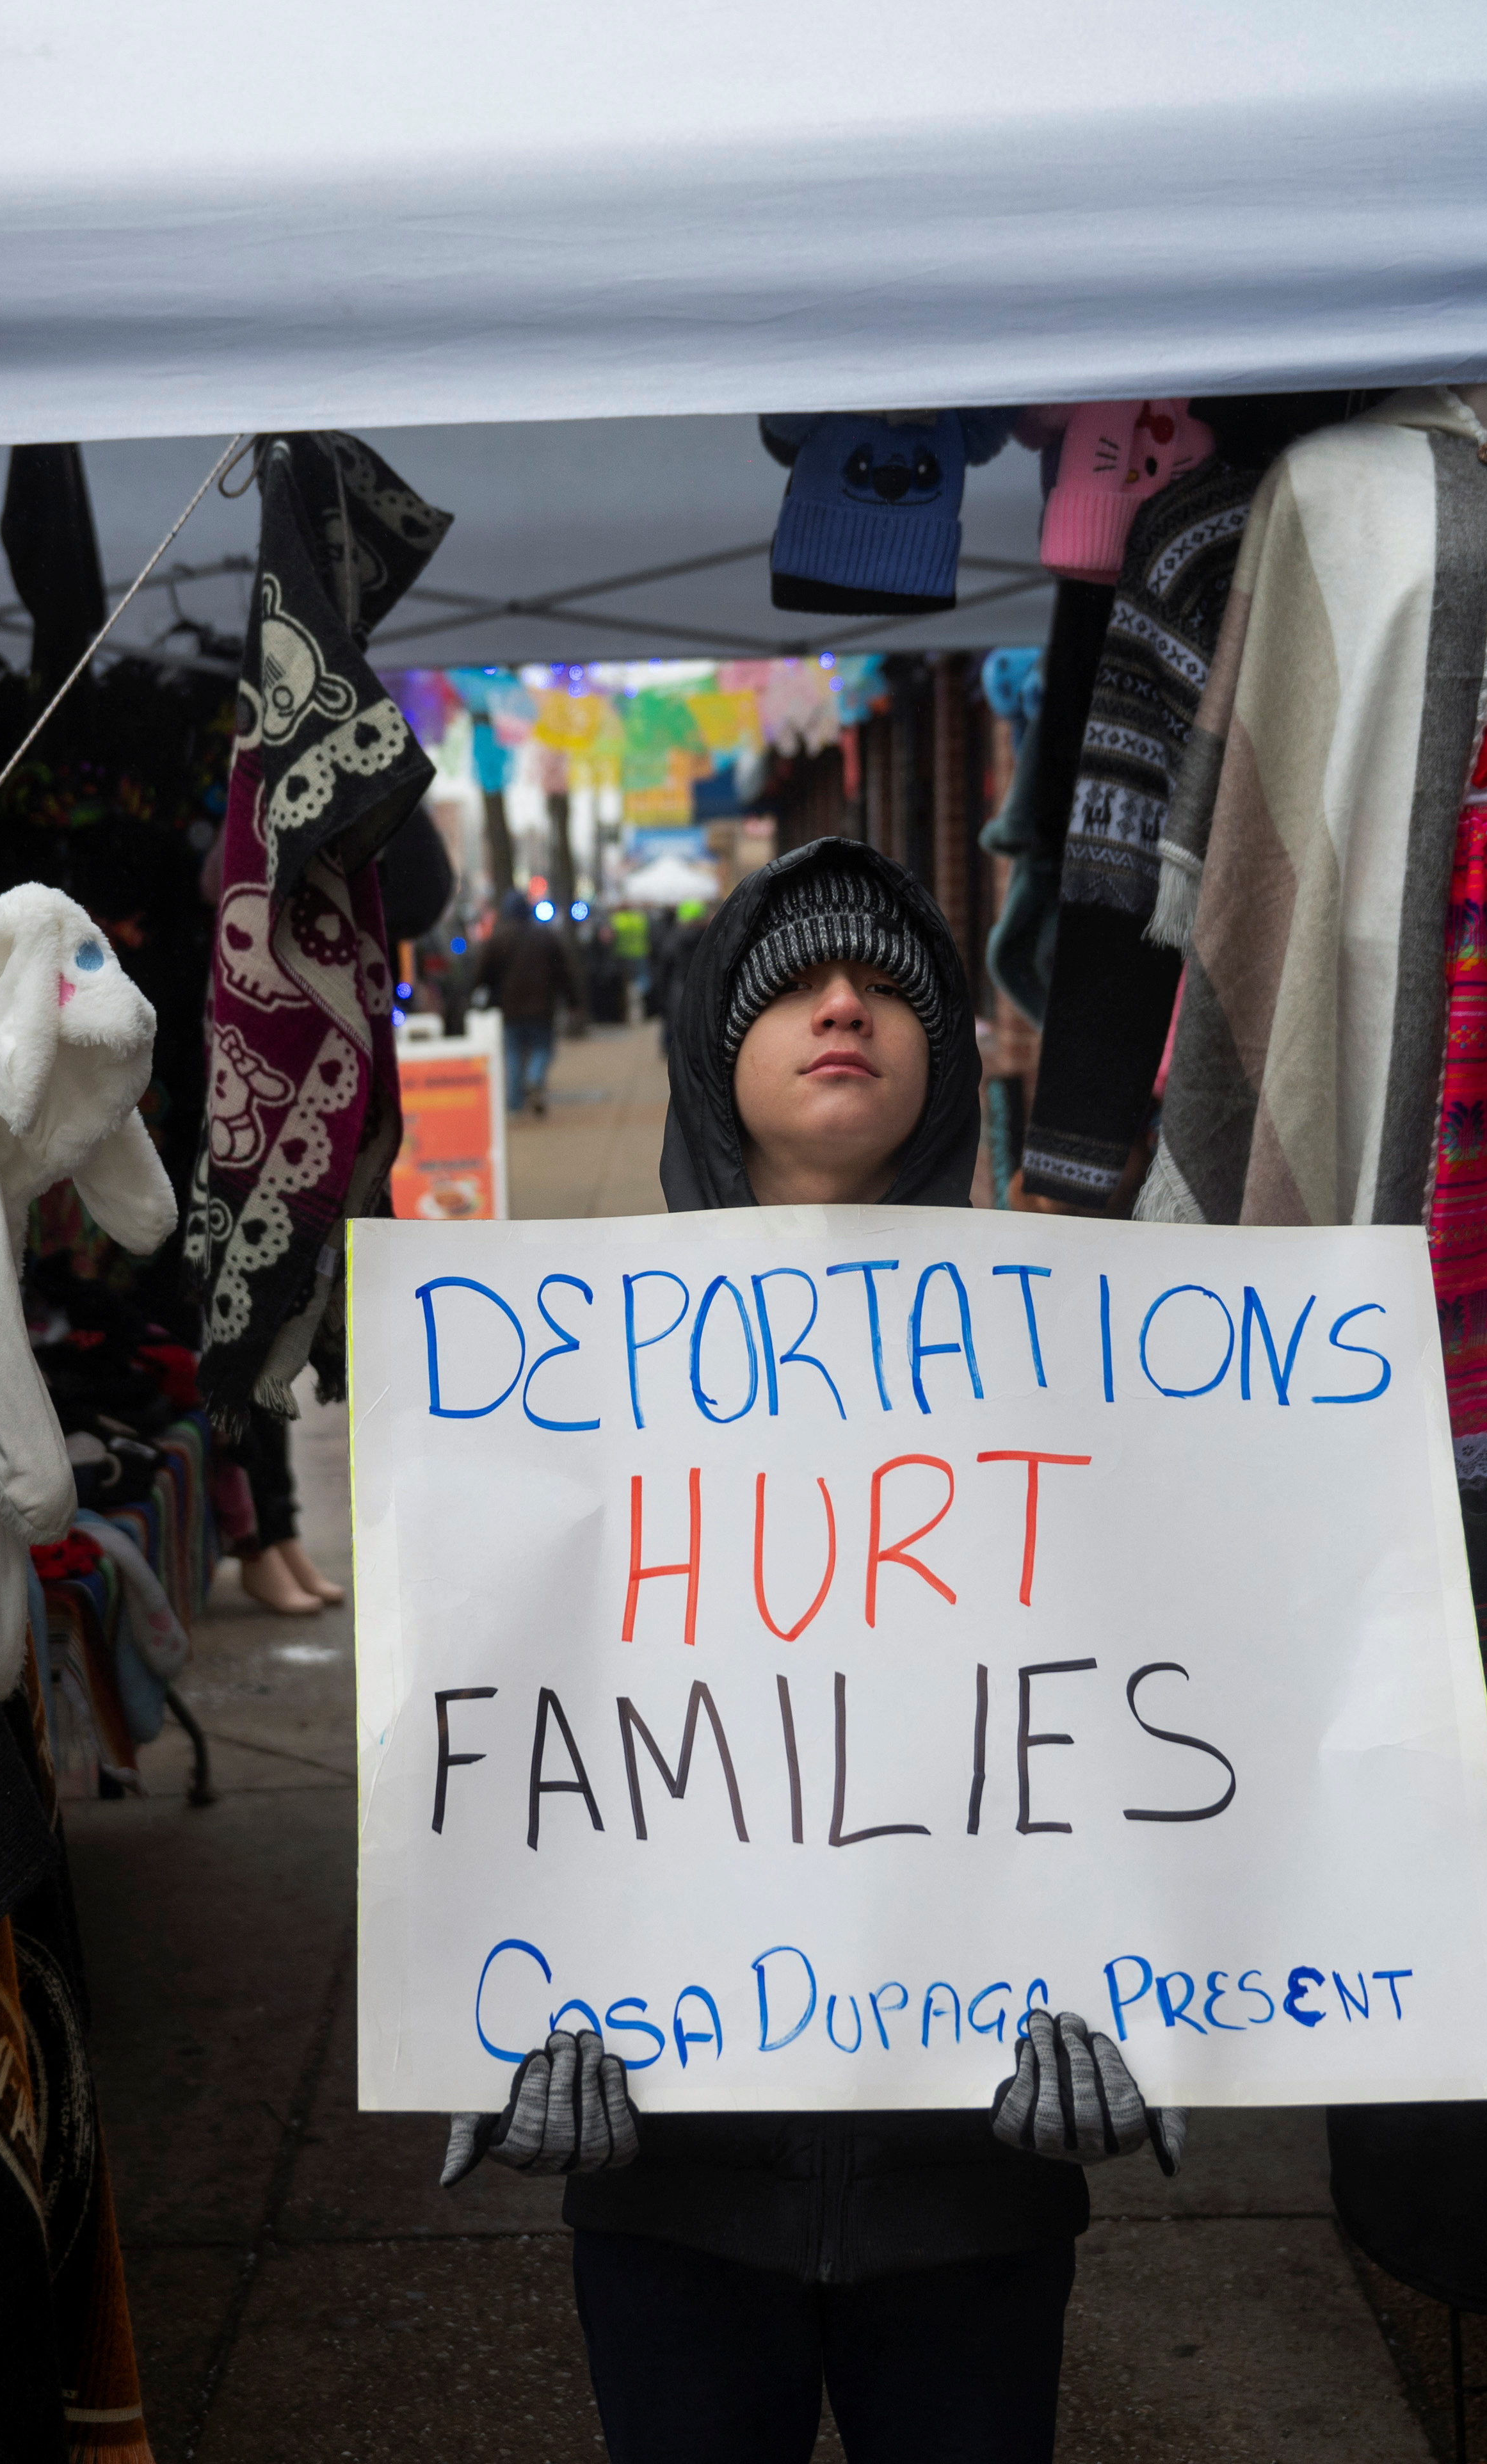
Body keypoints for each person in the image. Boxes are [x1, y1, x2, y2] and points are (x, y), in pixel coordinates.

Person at [437, 837, 1178, 2464]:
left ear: (948, 1054)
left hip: (972, 2177)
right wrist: (488, 2031)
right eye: (793, 981)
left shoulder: (1082, 1368)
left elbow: (1142, 1724)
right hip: (670, 2172)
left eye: (892, 986)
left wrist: (1161, 2011)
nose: (845, 1003)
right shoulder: (563, 1386)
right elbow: (508, 1731)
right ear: (719, 1041)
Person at [474, 891, 575, 1113]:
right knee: (542, 1048)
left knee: (512, 1053)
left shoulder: (499, 939)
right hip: (542, 1007)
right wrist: (572, 1001)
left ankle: (515, 1102)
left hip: (510, 1008)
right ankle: (535, 1078)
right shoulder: (546, 937)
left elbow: (482, 974)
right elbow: (563, 972)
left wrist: (480, 996)